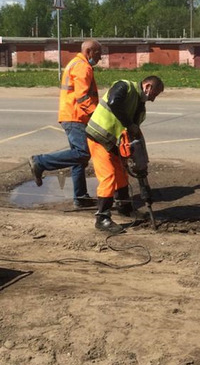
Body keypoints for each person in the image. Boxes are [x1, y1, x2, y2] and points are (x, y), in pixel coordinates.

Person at [28, 39, 102, 210]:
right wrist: (97, 116)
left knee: (78, 160)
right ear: (89, 51)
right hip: (76, 116)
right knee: (82, 153)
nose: (100, 57)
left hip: (73, 115)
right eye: (98, 53)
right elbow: (83, 97)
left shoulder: (76, 63)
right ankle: (40, 162)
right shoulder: (82, 66)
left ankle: (80, 197)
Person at [86, 75, 164, 233]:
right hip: (99, 136)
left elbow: (135, 134)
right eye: (154, 94)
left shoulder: (140, 107)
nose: (153, 99)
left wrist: (139, 159)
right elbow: (114, 103)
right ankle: (102, 218)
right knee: (108, 176)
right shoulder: (124, 86)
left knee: (121, 175)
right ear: (147, 86)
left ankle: (125, 208)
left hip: (113, 141)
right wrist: (129, 124)